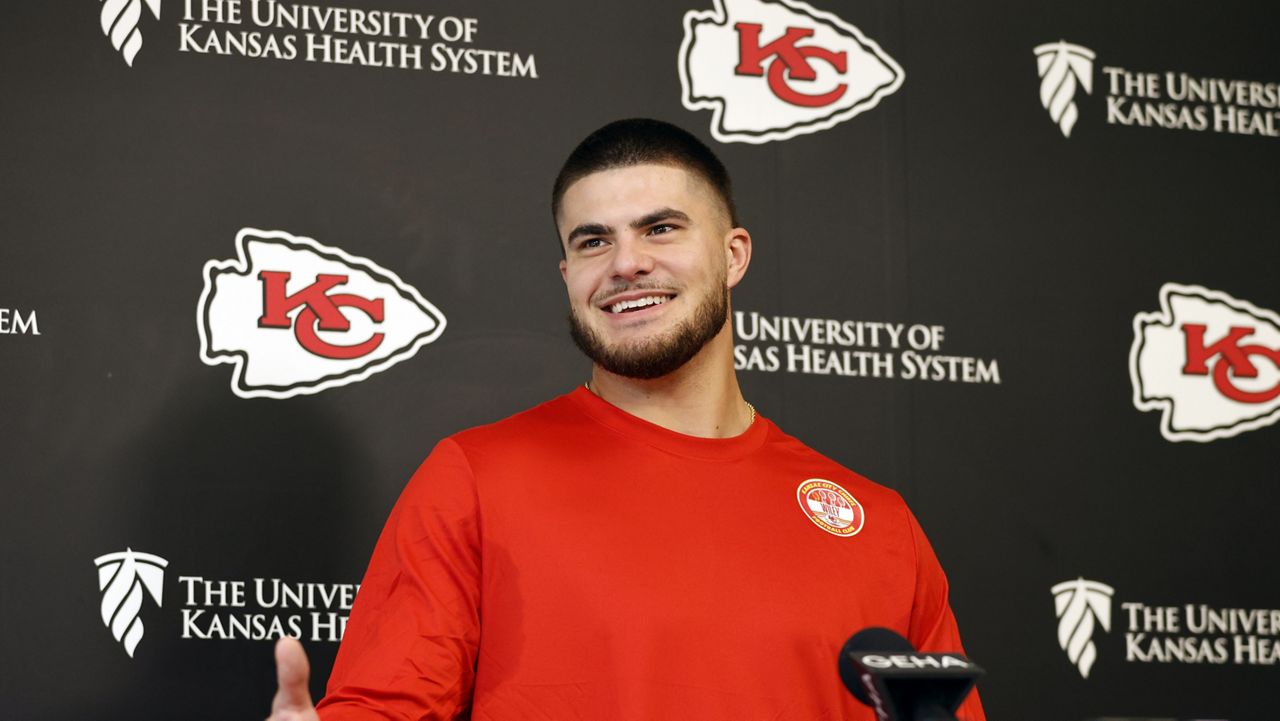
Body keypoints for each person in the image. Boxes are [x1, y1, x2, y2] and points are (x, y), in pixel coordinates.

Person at [267, 118, 985, 721]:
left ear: (733, 255)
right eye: (592, 241)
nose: (626, 263)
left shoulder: (881, 527)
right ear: (567, 276)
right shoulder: (476, 480)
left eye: (661, 228)